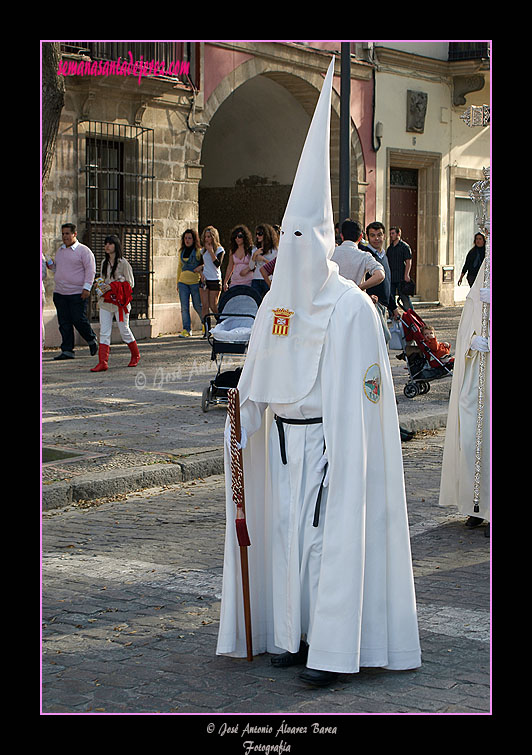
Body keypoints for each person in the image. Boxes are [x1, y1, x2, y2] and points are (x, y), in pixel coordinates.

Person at [216, 58, 421, 688]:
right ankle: (288, 635)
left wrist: (346, 447)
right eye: (291, 237)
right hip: (281, 442)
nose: (297, 252)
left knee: (322, 543)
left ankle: (330, 646)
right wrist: (244, 406)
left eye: (308, 237)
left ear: (325, 240)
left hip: (330, 445)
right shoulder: (277, 302)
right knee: (283, 539)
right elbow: (259, 370)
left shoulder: (353, 307)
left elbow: (363, 392)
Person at [439, 256, 490, 536]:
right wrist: (473, 340)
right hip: (478, 369)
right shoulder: (485, 269)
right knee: (471, 436)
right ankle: (477, 505)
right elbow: (467, 322)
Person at [48, 223, 98, 360]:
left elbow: (90, 270)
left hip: (77, 293)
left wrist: (87, 288)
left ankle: (91, 339)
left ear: (74, 234)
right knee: (64, 323)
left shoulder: (84, 251)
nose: (65, 236)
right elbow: (58, 269)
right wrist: (51, 265)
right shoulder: (60, 251)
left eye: (67, 234)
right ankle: (67, 350)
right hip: (60, 293)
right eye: (63, 234)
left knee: (78, 319)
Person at [90, 234, 140, 371]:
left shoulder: (123, 263)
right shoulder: (103, 263)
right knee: (104, 331)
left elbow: (131, 284)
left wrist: (114, 286)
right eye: (106, 243)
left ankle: (135, 355)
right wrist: (99, 286)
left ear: (116, 246)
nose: (107, 246)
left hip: (120, 302)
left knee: (124, 329)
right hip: (106, 301)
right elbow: (103, 279)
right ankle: (102, 361)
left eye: (110, 244)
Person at [359, 221, 400, 344]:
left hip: (384, 306)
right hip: (372, 304)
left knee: (382, 341)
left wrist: (394, 307)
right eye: (372, 235)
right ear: (367, 237)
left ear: (384, 236)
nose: (376, 238)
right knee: (383, 338)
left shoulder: (384, 256)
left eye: (379, 235)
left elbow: (387, 282)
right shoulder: (365, 255)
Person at [331, 219, 385, 291]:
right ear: (360, 237)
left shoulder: (331, 253)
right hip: (355, 298)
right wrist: (359, 287)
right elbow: (380, 275)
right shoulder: (364, 256)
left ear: (342, 236)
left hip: (333, 297)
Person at [176, 229, 203, 338]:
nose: (187, 240)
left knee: (198, 305)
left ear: (194, 239)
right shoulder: (181, 252)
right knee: (184, 307)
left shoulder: (198, 252)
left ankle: (205, 323)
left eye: (189, 238)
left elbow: (205, 265)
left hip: (195, 282)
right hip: (183, 283)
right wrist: (177, 282)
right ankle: (186, 329)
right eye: (185, 238)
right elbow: (179, 267)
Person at [199, 225, 225, 330]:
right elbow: (202, 264)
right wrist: (201, 273)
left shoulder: (219, 250)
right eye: (206, 237)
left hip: (215, 279)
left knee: (213, 305)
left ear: (214, 237)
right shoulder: (203, 251)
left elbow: (217, 264)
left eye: (209, 237)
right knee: (205, 305)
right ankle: (206, 329)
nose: (207, 239)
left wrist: (211, 251)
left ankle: (221, 323)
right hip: (205, 279)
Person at [249, 224, 279, 301]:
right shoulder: (255, 249)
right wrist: (254, 255)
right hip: (256, 279)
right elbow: (251, 267)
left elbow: (275, 267)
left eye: (260, 234)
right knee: (255, 301)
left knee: (269, 301)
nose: (257, 236)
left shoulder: (275, 250)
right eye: (256, 234)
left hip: (268, 280)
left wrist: (263, 259)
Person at [387, 227, 413, 311]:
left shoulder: (404, 247)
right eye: (390, 233)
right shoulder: (390, 248)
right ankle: (392, 315)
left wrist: (406, 275)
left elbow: (408, 261)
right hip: (392, 277)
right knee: (391, 297)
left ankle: (411, 316)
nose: (391, 235)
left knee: (404, 298)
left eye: (393, 233)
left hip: (401, 277)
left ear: (398, 234)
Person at [223, 225, 254, 290]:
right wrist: (225, 281)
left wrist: (247, 269)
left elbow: (255, 264)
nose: (237, 238)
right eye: (235, 237)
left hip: (248, 282)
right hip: (235, 281)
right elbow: (230, 266)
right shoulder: (233, 250)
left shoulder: (250, 249)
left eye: (240, 236)